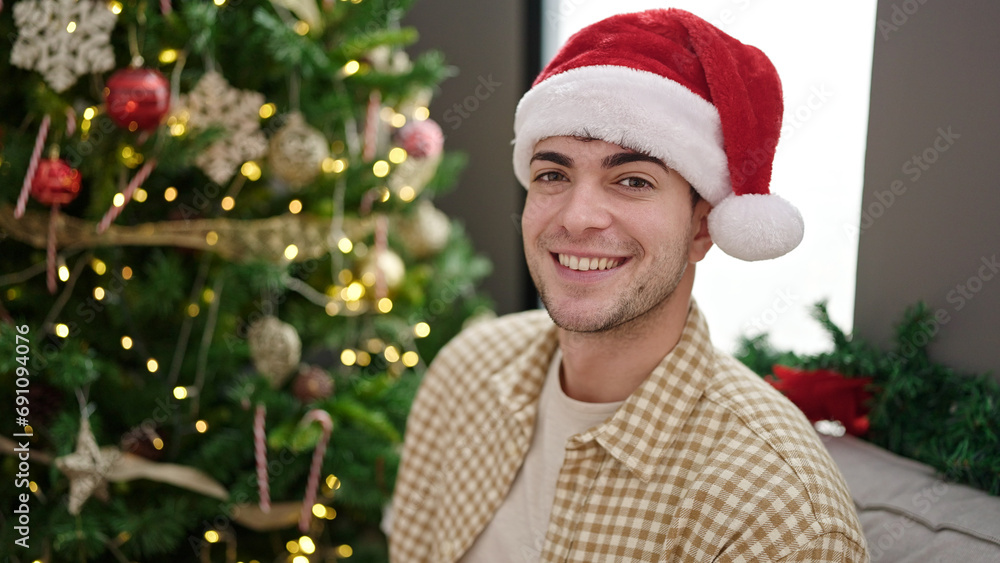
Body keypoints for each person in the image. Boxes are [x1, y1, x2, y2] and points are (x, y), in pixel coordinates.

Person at [389, 8, 868, 562]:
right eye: (552, 175)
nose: (577, 218)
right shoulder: (465, 371)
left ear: (702, 228)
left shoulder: (781, 519)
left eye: (632, 180)